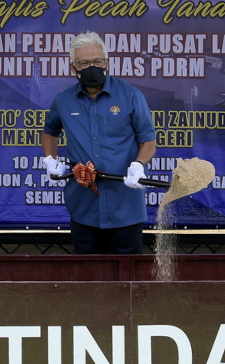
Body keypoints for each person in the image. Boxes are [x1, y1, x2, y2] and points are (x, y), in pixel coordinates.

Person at [41, 31, 157, 254]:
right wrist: (50, 159)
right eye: (84, 63)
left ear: (107, 63)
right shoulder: (63, 100)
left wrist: (139, 165)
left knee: (128, 280)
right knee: (88, 280)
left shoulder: (131, 95)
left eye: (97, 61)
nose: (91, 67)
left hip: (125, 207)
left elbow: (148, 140)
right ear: (73, 67)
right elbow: (49, 131)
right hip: (84, 207)